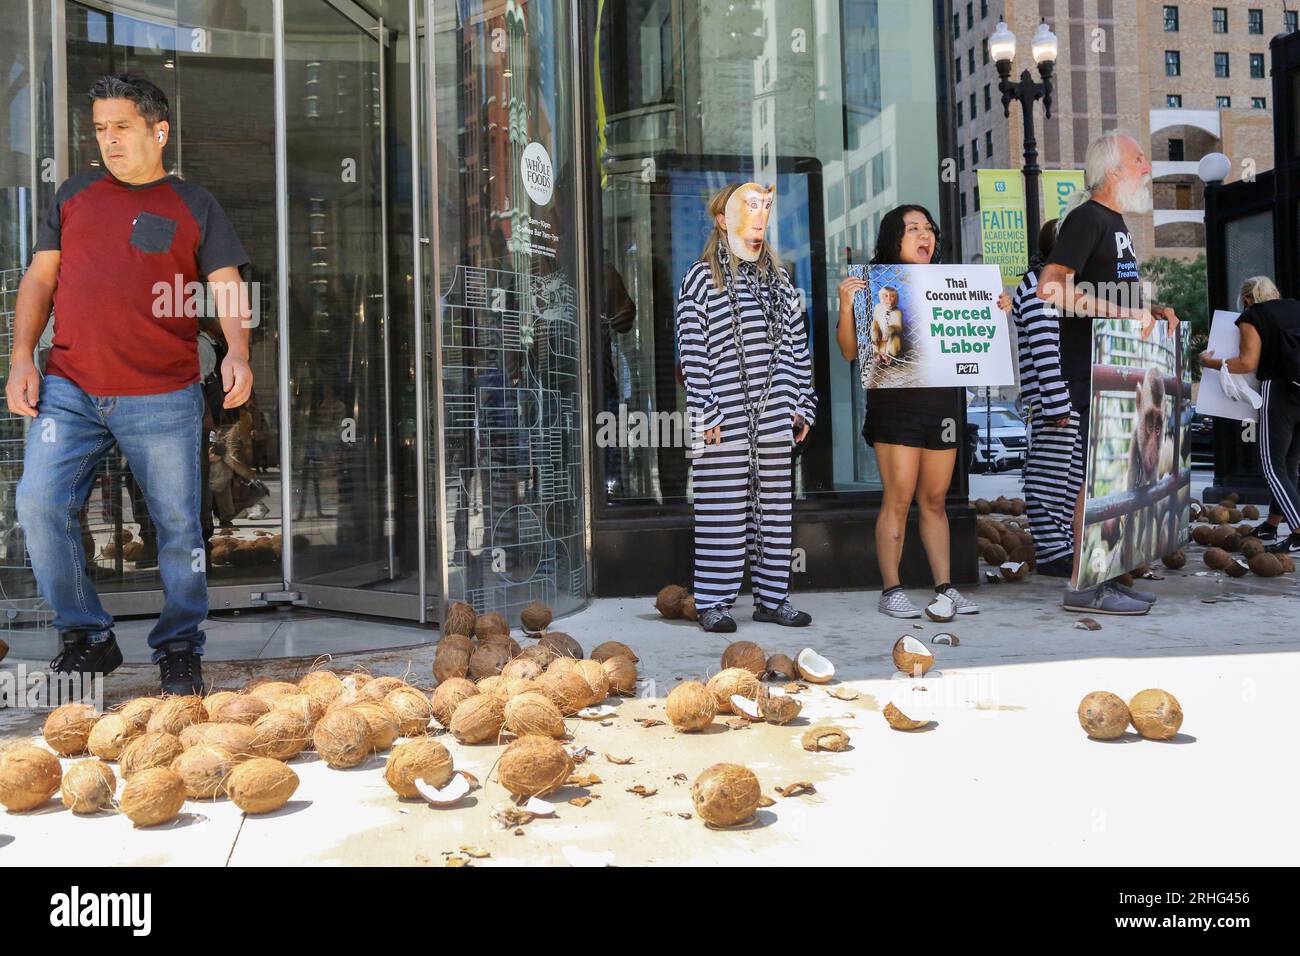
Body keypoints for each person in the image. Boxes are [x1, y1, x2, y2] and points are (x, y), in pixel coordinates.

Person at [4, 74, 253, 693]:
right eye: (99, 129)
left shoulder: (194, 204)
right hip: (71, 387)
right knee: (39, 504)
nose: (108, 140)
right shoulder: (74, 195)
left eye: (121, 127)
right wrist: (21, 358)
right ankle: (87, 637)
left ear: (157, 131)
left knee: (177, 527)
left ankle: (178, 647)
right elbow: (39, 282)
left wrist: (239, 355)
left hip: (164, 394)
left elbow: (226, 286)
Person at [836, 205, 1009, 618]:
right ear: (894, 238)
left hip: (943, 406)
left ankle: (945, 588)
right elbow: (849, 352)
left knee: (935, 500)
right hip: (896, 407)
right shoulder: (874, 285)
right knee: (898, 498)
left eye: (928, 228)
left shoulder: (954, 283)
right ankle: (891, 590)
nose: (924, 235)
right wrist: (846, 307)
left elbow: (978, 340)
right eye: (912, 228)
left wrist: (994, 308)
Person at [1037, 130, 1179, 615]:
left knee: (1117, 479)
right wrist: (1124, 314)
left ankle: (1109, 576)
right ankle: (1083, 586)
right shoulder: (1086, 218)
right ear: (1113, 170)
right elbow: (1051, 289)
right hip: (1089, 371)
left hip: (1119, 368)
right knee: (1094, 482)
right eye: (1139, 159)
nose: (1147, 167)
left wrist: (1150, 309)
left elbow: (1108, 295)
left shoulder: (1115, 222)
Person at [676, 182, 816, 633]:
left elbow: (799, 347)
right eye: (748, 207)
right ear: (723, 219)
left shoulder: (782, 282)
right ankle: (714, 602)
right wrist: (707, 411)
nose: (759, 215)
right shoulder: (700, 279)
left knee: (775, 511)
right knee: (721, 513)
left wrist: (803, 403)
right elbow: (692, 352)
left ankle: (773, 599)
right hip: (722, 419)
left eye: (764, 207)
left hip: (774, 416)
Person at [1201, 275, 1300, 556]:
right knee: (1290, 465)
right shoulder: (1295, 308)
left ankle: (1298, 529)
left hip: (1280, 393)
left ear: (1247, 298)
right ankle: (1271, 524)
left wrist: (1210, 362)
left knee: (1271, 466)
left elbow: (1246, 362)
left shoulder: (1253, 315)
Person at [1013, 219, 1081, 576]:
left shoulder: (1052, 286)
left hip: (1062, 397)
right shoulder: (1042, 288)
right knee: (1050, 478)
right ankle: (1054, 551)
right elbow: (1044, 349)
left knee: (1067, 477)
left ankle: (1060, 548)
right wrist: (1057, 404)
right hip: (1056, 400)